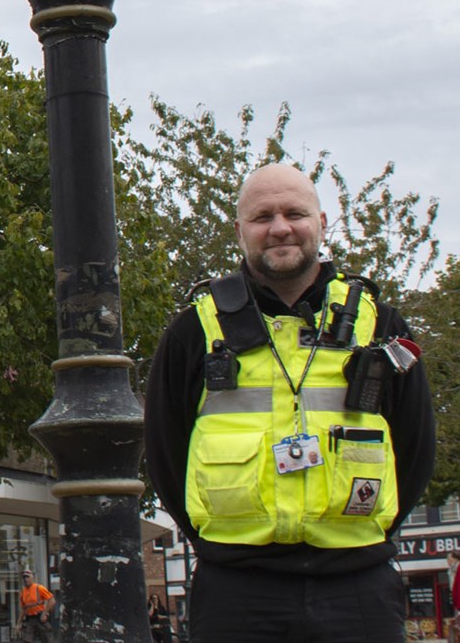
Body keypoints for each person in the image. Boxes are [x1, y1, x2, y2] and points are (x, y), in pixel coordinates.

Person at [141, 164, 435, 643]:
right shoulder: (194, 330)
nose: (280, 227)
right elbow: (165, 452)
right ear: (240, 231)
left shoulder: (380, 323)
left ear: (321, 222)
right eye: (262, 217)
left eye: (294, 213)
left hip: (358, 586)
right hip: (236, 589)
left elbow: (417, 447)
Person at [16, 570, 53, 642]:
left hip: (39, 618)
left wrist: (45, 613)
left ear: (32, 578)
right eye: (24, 577)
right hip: (30, 619)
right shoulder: (23, 592)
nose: (26, 579)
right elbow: (23, 609)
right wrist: (18, 623)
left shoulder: (39, 588)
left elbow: (52, 601)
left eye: (28, 577)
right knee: (27, 640)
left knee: (46, 639)